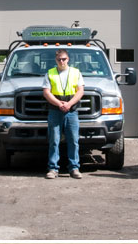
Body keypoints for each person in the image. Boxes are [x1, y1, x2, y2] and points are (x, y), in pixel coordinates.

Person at [42, 49, 85, 179]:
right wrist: (59, 104)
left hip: (71, 111)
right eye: (59, 59)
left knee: (73, 140)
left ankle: (74, 168)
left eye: (64, 59)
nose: (62, 61)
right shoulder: (50, 73)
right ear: (56, 60)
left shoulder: (76, 73)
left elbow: (80, 91)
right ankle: (53, 169)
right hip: (55, 111)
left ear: (68, 59)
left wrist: (69, 104)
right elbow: (46, 92)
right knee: (54, 141)